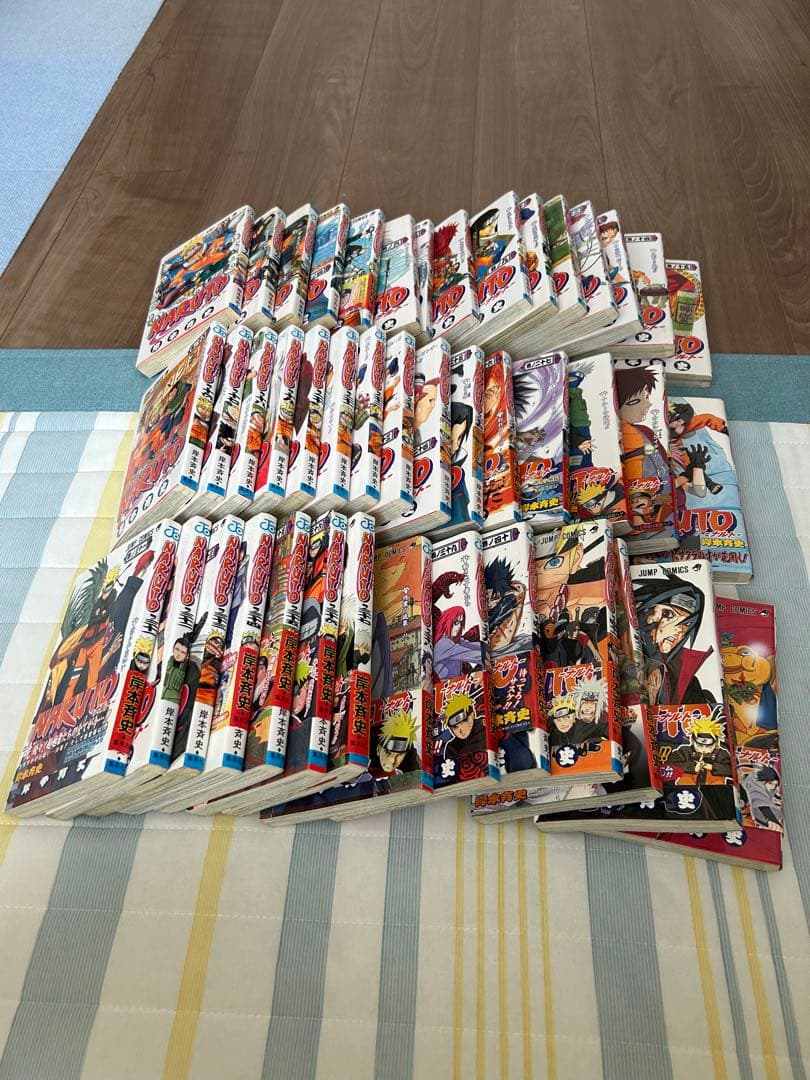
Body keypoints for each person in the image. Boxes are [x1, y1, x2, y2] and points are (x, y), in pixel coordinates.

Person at [633, 571, 716, 705]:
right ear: (640, 609)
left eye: (687, 623)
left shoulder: (687, 682)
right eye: (668, 614)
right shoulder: (620, 653)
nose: (679, 629)